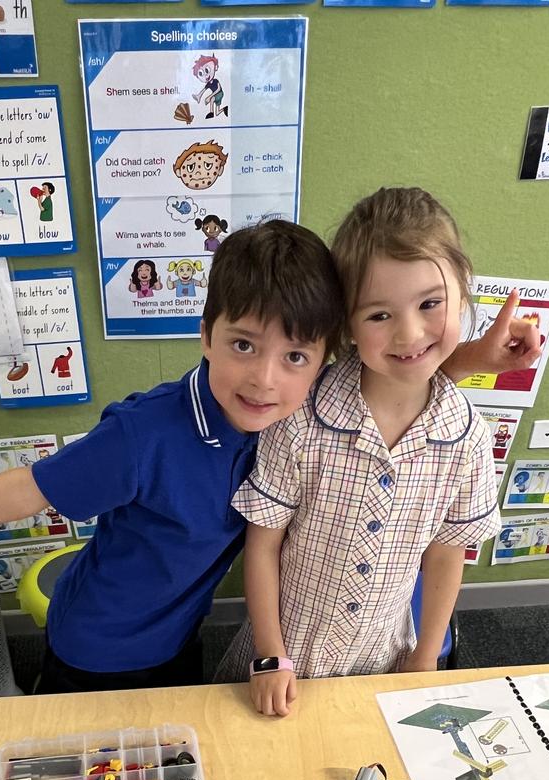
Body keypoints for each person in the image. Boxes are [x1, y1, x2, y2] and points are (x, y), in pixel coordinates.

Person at [0, 217, 538, 695]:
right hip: (99, 646)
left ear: (324, 359)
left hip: (182, 635)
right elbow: (30, 488)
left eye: (294, 357)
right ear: (206, 335)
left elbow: (395, 380)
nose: (264, 379)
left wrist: (471, 359)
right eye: (242, 345)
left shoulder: (299, 415)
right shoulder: (145, 435)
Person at [214, 189, 517, 716]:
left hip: (383, 660)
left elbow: (447, 553)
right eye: (379, 315)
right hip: (282, 657)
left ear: (463, 289)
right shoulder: (303, 418)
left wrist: (425, 657)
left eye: (430, 304)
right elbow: (262, 545)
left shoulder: (467, 437)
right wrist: (270, 657)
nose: (409, 333)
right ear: (347, 325)